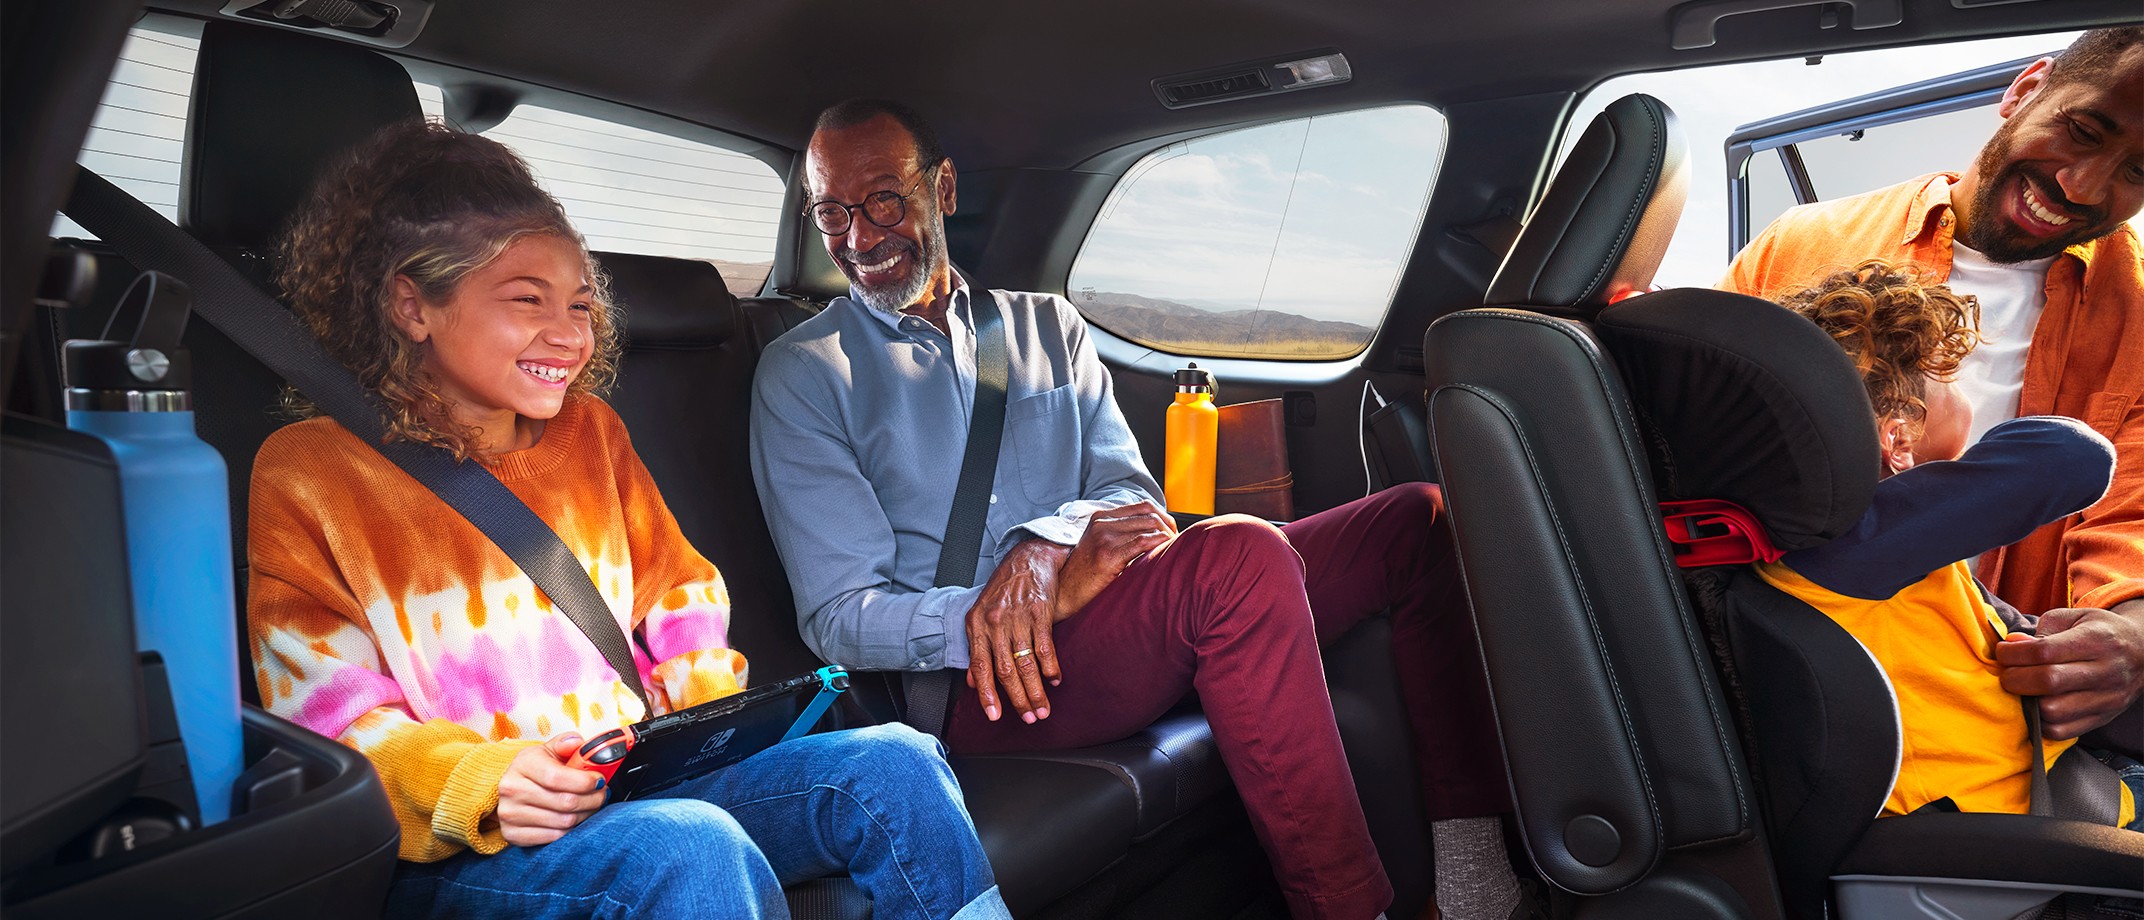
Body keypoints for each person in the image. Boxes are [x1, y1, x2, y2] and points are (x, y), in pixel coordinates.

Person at [750, 100, 1529, 920]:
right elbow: (839, 616)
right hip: (986, 685)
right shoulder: (805, 374)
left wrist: (1045, 552)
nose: (859, 238)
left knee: (1413, 520)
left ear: (942, 189)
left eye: (881, 200)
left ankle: (1477, 888)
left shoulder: (1047, 327)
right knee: (1238, 557)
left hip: (1111, 613)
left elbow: (1133, 497)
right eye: (830, 212)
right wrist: (1007, 610)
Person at [247, 120, 1010, 920]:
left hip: (640, 781)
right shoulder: (312, 473)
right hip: (475, 844)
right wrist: (484, 783)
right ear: (413, 306)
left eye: (580, 303)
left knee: (899, 762)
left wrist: (710, 722)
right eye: (525, 301)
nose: (570, 333)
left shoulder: (590, 434)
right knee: (687, 846)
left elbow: (680, 593)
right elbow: (327, 722)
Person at [1722, 26, 2144, 747]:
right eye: (2081, 130)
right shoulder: (1800, 243)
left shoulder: (2136, 320)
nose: (2082, 185)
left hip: (1986, 696)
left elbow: (2129, 526)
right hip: (1778, 675)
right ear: (2024, 90)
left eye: (2138, 171)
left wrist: (2128, 640)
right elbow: (1700, 436)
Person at [1755, 260, 2134, 823]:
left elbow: (2001, 633)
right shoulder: (1859, 545)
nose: (1972, 399)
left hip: (2061, 788)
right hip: (2023, 834)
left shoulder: (1869, 552)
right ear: (1901, 434)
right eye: (1954, 383)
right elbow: (2075, 457)